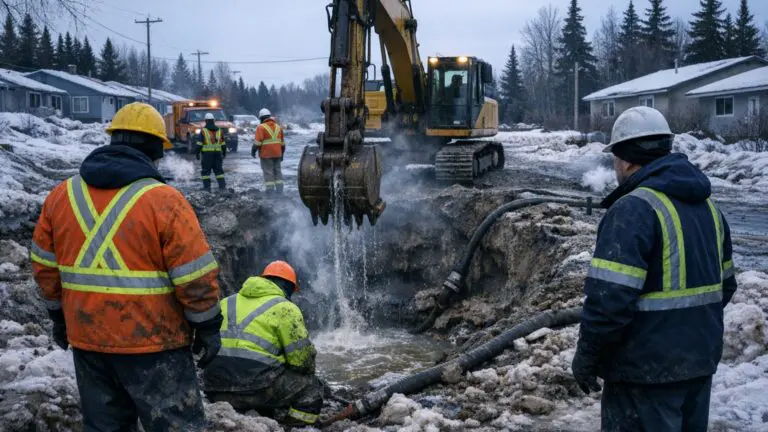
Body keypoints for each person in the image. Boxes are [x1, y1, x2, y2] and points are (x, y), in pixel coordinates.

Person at [30, 102, 223, 431]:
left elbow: (45, 267)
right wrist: (207, 326)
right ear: (154, 149)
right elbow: (195, 277)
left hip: (89, 340)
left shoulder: (61, 196)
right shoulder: (164, 200)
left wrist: (58, 316)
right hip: (154, 342)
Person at [571, 106, 737, 431]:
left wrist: (588, 356)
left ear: (627, 160)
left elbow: (609, 302)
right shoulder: (710, 209)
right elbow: (725, 287)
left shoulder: (632, 209)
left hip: (643, 374)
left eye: (615, 159)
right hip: (698, 365)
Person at [203, 261, 323, 427]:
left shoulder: (226, 302)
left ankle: (256, 412)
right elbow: (301, 361)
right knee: (312, 387)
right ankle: (292, 426)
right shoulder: (285, 308)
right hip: (255, 390)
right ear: (288, 287)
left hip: (214, 389)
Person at [251, 108, 285, 195]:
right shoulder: (278, 127)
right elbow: (282, 143)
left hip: (266, 154)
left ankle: (270, 191)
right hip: (277, 154)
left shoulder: (261, 127)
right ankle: (280, 190)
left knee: (268, 172)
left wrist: (253, 150)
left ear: (261, 118)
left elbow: (257, 142)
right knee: (278, 171)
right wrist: (282, 154)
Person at [196, 112, 227, 192]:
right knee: (219, 171)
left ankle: (207, 188)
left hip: (207, 155)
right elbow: (223, 143)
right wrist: (224, 153)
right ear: (213, 120)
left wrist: (197, 153)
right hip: (218, 154)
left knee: (206, 172)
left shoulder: (203, 131)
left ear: (206, 121)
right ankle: (222, 187)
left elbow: (199, 143)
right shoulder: (219, 130)